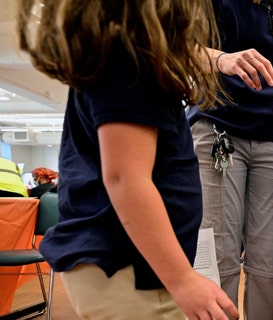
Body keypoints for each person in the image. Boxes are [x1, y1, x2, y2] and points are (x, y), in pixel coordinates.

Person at [17, 1, 238, 319]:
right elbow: (125, 178)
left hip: (127, 266)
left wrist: (222, 60)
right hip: (127, 269)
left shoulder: (120, 56)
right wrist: (182, 279)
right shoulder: (132, 61)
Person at [186, 1, 273, 318]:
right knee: (219, 259)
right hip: (217, 129)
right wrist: (223, 59)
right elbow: (183, 46)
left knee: (269, 264)